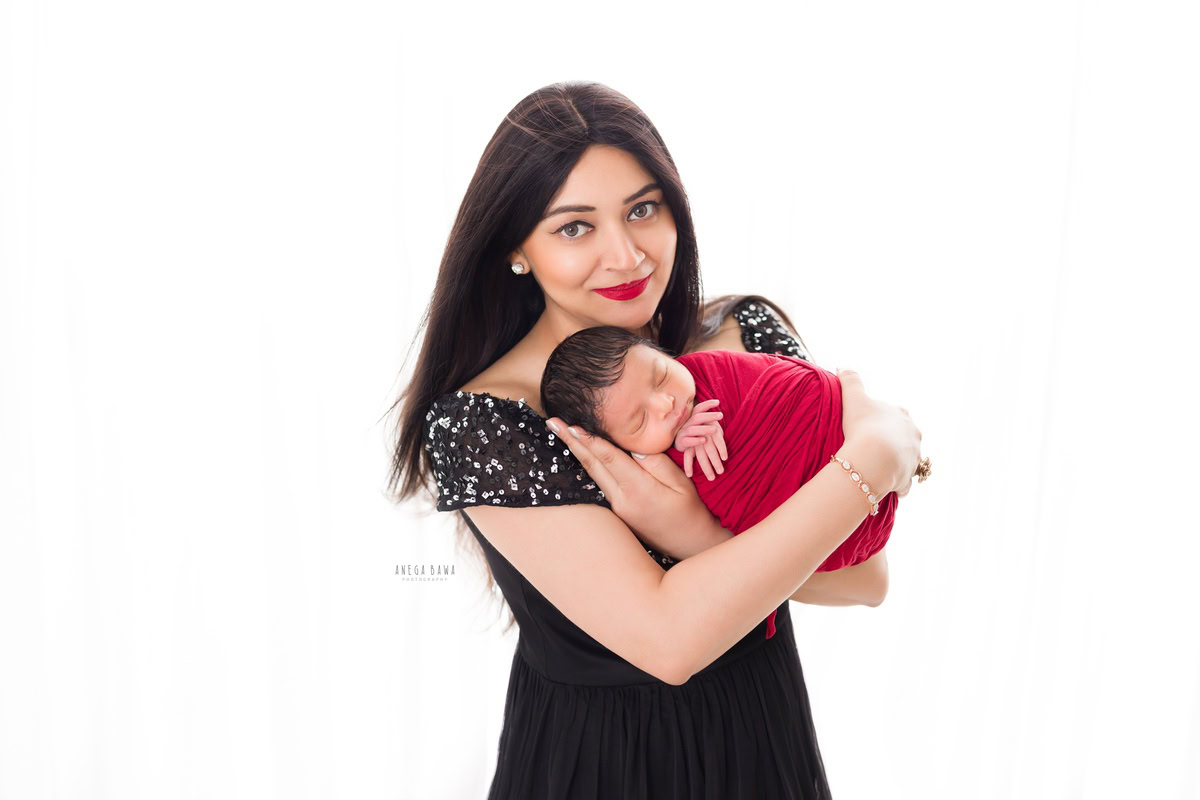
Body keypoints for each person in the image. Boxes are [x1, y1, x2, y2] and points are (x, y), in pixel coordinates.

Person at [386, 81, 925, 799]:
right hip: (594, 765)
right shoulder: (488, 421)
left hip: (762, 743)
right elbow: (669, 641)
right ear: (515, 245)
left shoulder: (744, 338)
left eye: (644, 209)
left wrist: (699, 534)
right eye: (575, 226)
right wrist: (873, 457)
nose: (626, 255)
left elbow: (866, 577)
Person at [539, 326, 901, 640]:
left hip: (843, 469)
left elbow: (812, 393)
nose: (666, 404)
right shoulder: (645, 478)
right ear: (617, 447)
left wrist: (867, 428)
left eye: (662, 375)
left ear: (661, 351)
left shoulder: (719, 362)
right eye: (640, 421)